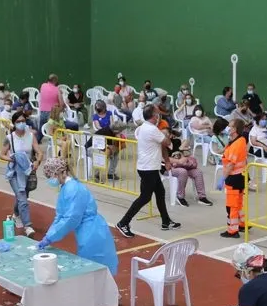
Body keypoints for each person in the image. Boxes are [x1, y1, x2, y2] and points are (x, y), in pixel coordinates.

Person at [37, 157, 119, 275]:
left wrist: (50, 237)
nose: (51, 179)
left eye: (53, 175)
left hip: (92, 232)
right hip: (88, 230)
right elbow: (60, 216)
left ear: (62, 172)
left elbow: (71, 218)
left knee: (93, 268)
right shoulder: (66, 188)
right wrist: (49, 235)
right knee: (92, 269)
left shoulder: (73, 189)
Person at [115, 105, 180, 238]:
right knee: (145, 197)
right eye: (157, 114)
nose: (159, 116)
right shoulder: (152, 129)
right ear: (154, 116)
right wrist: (166, 134)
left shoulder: (145, 128)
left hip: (150, 167)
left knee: (160, 193)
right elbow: (167, 143)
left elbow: (161, 146)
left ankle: (166, 221)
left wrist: (167, 161)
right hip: (148, 168)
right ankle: (123, 222)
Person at [1, 111, 44, 237]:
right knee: (22, 198)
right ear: (14, 123)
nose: (21, 123)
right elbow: (2, 155)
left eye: (23, 121)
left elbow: (39, 152)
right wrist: (12, 159)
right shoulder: (10, 138)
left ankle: (16, 214)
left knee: (22, 197)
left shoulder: (31, 136)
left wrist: (37, 161)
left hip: (28, 171)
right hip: (15, 172)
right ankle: (28, 226)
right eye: (18, 121)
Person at [217, 119, 249, 238]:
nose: (227, 128)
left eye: (230, 126)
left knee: (232, 206)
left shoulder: (237, 143)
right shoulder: (239, 140)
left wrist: (222, 178)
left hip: (234, 177)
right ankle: (241, 224)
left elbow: (231, 164)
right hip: (240, 176)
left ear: (235, 129)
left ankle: (232, 230)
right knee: (238, 203)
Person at [38, 74, 65, 138]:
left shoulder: (43, 85)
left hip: (43, 111)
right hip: (53, 113)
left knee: (41, 130)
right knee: (54, 131)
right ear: (54, 80)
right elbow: (62, 103)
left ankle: (37, 141)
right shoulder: (57, 90)